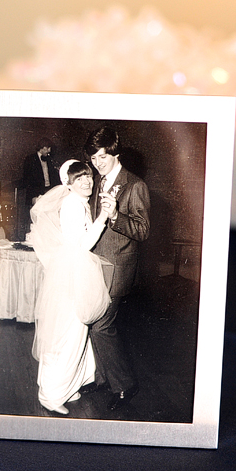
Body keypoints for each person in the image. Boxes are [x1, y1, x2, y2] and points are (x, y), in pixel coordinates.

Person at [28, 160, 111, 414]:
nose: (86, 181)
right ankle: (50, 396)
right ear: (69, 184)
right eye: (79, 179)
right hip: (73, 273)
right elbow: (82, 244)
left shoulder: (79, 202)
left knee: (75, 332)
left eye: (88, 176)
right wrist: (104, 217)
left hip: (74, 271)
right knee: (68, 334)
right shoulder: (73, 204)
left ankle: (67, 385)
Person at [80, 126, 150, 411]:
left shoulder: (134, 185)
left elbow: (143, 231)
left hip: (118, 267)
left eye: (101, 157)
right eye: (93, 159)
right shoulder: (97, 181)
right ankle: (102, 377)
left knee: (101, 326)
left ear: (115, 153)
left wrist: (116, 217)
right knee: (93, 322)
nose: (97, 164)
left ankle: (124, 386)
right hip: (96, 265)